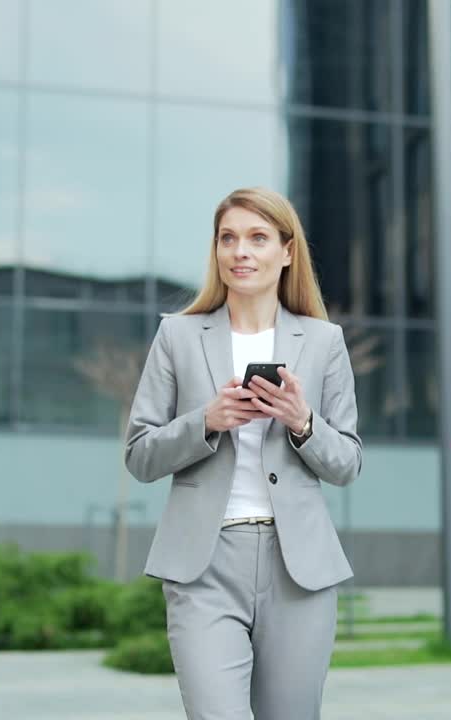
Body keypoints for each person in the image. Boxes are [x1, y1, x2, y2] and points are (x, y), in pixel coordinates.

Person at [124, 186, 361, 719]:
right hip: (203, 565)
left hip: (298, 569)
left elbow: (347, 463)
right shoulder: (178, 337)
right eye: (228, 238)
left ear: (287, 251)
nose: (240, 252)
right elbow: (139, 454)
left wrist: (302, 421)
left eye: (257, 238)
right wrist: (206, 422)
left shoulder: (324, 342)